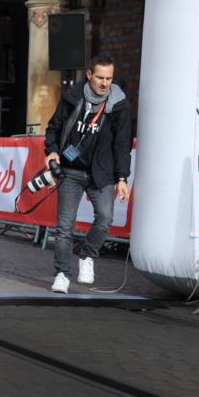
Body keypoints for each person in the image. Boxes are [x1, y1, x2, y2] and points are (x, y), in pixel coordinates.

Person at [44, 55, 133, 294]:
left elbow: (122, 145)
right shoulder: (73, 97)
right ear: (89, 75)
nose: (104, 83)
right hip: (71, 170)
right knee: (64, 227)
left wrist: (122, 178)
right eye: (100, 78)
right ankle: (62, 274)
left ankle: (87, 255)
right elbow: (54, 127)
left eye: (109, 79)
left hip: (101, 173)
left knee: (105, 219)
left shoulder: (120, 105)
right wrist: (52, 151)